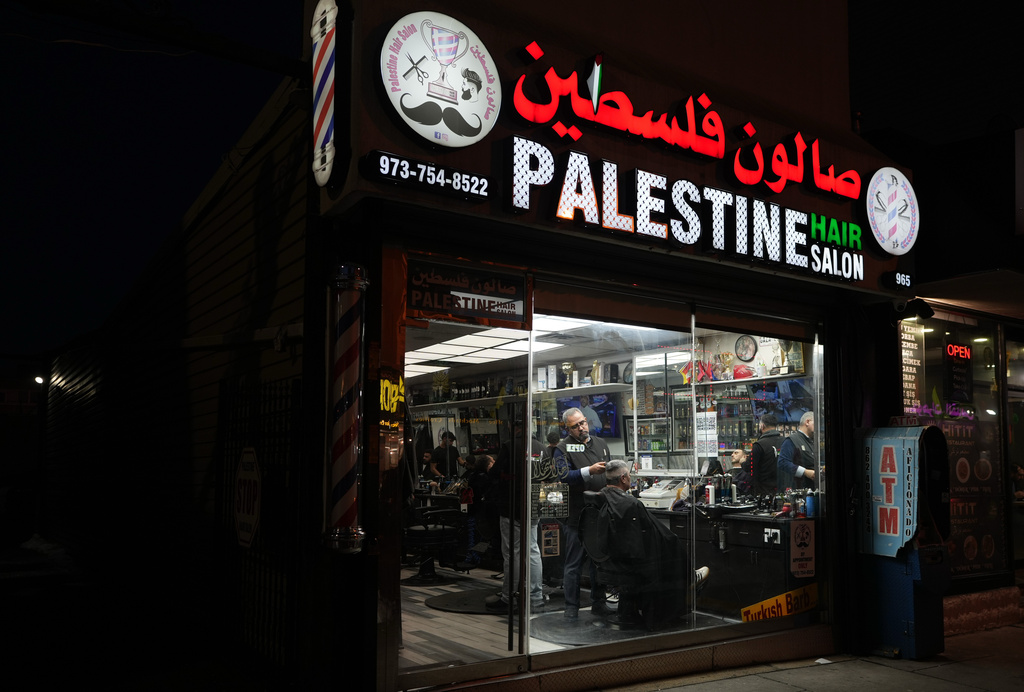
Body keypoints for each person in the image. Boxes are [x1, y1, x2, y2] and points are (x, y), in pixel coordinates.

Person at [597, 460, 710, 628]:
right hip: (634, 562)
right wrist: (671, 541)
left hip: (610, 559)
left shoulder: (600, 497)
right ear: (623, 479)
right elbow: (657, 537)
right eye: (629, 475)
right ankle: (689, 578)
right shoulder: (632, 503)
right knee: (671, 545)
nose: (630, 478)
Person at [553, 407, 611, 619]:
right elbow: (563, 475)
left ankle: (599, 603)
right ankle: (571, 608)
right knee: (574, 564)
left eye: (583, 423)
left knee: (599, 562)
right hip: (576, 516)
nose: (581, 428)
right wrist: (589, 471)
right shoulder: (562, 448)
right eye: (575, 426)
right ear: (567, 428)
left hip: (600, 514)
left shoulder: (601, 444)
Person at [485, 422, 545, 612]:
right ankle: (536, 597)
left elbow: (495, 473)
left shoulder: (509, 446)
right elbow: (549, 476)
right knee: (533, 550)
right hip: (534, 506)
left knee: (513, 553)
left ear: (515, 426)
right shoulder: (542, 448)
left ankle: (508, 596)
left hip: (512, 506)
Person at [746, 413, 784, 495]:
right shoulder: (786, 442)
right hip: (784, 490)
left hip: (764, 492)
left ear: (762, 426)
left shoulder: (759, 445)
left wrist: (743, 462)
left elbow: (750, 466)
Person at [777, 411, 816, 490]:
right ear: (807, 422)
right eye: (815, 423)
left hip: (811, 488)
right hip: (799, 489)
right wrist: (805, 472)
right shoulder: (791, 440)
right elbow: (782, 462)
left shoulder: (812, 441)